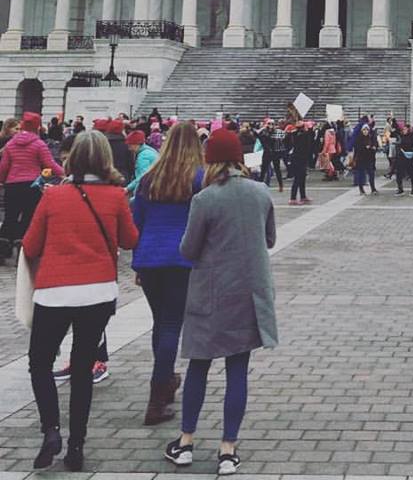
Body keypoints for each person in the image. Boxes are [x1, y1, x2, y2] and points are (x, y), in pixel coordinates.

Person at [22, 130, 139, 471]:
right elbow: (130, 241)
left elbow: (30, 245)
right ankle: (77, 446)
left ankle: (51, 430)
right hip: (98, 292)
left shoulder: (53, 196)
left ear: (71, 158)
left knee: (40, 362)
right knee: (84, 367)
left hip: (55, 291)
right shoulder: (116, 196)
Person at [164, 128, 277, 476]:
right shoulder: (260, 192)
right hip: (248, 293)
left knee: (199, 366)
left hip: (210, 294)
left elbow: (188, 249)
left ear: (209, 160)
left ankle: (185, 442)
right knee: (237, 370)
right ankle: (228, 449)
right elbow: (270, 239)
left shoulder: (205, 198)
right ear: (240, 159)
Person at [132, 121, 205, 426]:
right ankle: (157, 395)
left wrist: (137, 261)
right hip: (182, 259)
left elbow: (138, 221)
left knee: (160, 323)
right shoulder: (199, 178)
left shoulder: (149, 178)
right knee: (172, 324)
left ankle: (164, 380)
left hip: (150, 258)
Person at [0, 112, 63, 244]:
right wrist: (64, 174)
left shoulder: (10, 144)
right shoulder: (39, 144)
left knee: (10, 216)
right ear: (38, 127)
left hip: (12, 185)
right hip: (32, 185)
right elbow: (49, 164)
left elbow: (4, 166)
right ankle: (21, 244)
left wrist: (1, 180)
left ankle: (3, 247)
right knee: (28, 217)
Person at [124, 129, 160, 197]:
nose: (129, 149)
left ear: (136, 144)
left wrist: (127, 188)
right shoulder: (150, 150)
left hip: (146, 192)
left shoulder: (143, 157)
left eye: (130, 145)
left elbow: (142, 177)